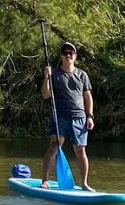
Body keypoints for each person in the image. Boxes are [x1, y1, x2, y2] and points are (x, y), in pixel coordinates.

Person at [40, 41, 95, 191]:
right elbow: (45, 95)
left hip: (80, 118)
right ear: (61, 56)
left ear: (75, 56)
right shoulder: (54, 74)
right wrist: (46, 77)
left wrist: (90, 116)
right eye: (65, 53)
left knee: (80, 150)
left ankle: (84, 183)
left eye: (71, 53)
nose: (68, 55)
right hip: (60, 117)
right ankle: (45, 180)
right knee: (54, 148)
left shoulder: (82, 75)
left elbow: (87, 96)